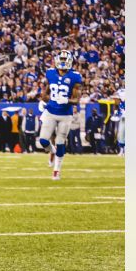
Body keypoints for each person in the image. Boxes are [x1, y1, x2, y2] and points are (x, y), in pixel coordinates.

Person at [39, 51, 83, 180]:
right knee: (43, 140)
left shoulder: (75, 77)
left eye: (65, 59)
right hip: (51, 111)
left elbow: (76, 99)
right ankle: (52, 152)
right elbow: (46, 93)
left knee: (60, 142)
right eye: (61, 59)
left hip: (65, 114)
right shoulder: (50, 73)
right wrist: (43, 101)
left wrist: (67, 101)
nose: (63, 62)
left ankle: (56, 171)